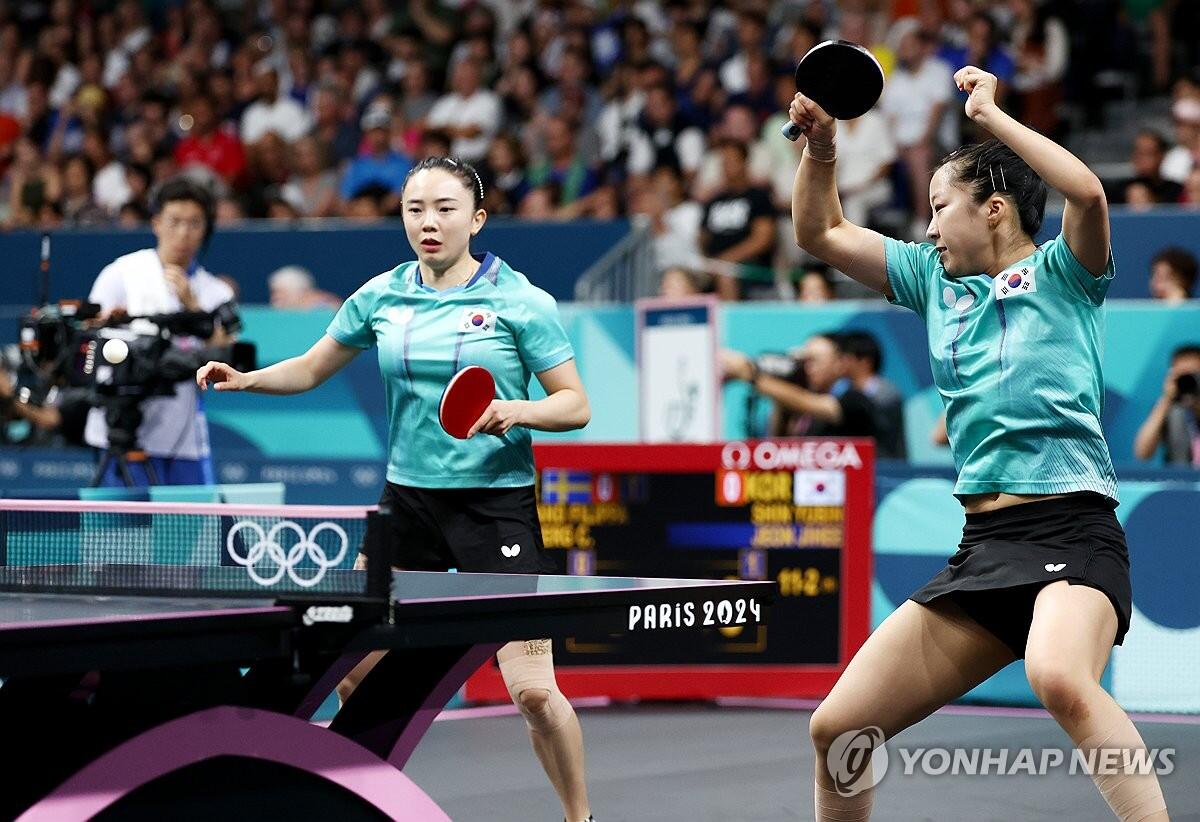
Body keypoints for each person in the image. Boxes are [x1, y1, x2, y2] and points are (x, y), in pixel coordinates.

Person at [788, 65, 1167, 820]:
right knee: (837, 729)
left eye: (939, 208)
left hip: (1072, 527)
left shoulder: (1067, 274)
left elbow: (1087, 193)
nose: (927, 228)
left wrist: (993, 119)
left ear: (995, 209)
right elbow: (820, 232)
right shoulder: (934, 281)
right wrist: (822, 148)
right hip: (984, 546)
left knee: (1058, 675)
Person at [195, 156, 596, 822]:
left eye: (444, 208)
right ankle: (371, 802)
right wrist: (245, 380)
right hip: (406, 505)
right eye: (416, 209)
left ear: (477, 218)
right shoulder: (381, 294)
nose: (429, 222)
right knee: (352, 667)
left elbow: (575, 404)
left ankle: (580, 817)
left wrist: (517, 410)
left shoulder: (521, 302)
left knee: (531, 692)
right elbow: (312, 367)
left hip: (493, 510)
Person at [85, 177, 235, 486]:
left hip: (184, 435)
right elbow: (88, 337)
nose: (183, 232)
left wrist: (194, 308)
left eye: (194, 223)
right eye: (175, 221)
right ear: (156, 223)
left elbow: (229, 356)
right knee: (122, 534)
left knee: (192, 533)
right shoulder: (122, 273)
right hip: (123, 430)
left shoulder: (215, 292)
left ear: (206, 228)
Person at [720, 332, 881, 442]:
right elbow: (779, 445)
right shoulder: (800, 408)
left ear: (839, 363)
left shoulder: (855, 399)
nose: (807, 368)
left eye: (814, 361)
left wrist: (751, 375)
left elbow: (812, 404)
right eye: (804, 362)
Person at [1133, 344, 1200, 466]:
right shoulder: (1168, 410)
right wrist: (1166, 399)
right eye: (1182, 377)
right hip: (1179, 483)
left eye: (1194, 375)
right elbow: (1142, 453)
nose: (1188, 382)